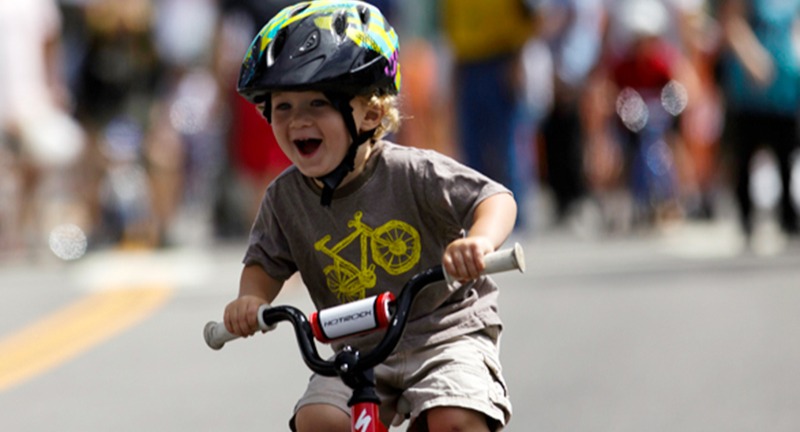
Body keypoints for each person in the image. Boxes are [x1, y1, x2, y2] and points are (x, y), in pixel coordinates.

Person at [221, 2, 517, 431]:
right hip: (356, 353)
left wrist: (480, 242)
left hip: (444, 335)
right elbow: (263, 263)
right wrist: (252, 299)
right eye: (282, 106)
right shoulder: (285, 198)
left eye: (317, 103)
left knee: (455, 417)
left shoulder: (413, 172)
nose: (297, 120)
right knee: (318, 418)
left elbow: (495, 198)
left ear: (371, 113)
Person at [716, 0, 800, 238]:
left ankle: (788, 218)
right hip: (750, 89)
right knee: (746, 155)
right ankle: (746, 219)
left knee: (786, 153)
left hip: (785, 87)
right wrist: (752, 59)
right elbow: (732, 24)